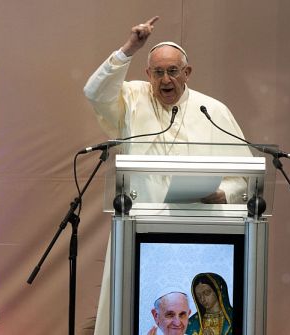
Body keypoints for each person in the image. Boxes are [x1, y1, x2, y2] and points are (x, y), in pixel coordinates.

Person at [85, 17, 248, 334]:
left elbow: (244, 174)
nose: (165, 80)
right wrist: (130, 48)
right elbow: (94, 92)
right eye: (158, 72)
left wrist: (224, 193)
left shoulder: (212, 111)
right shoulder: (132, 99)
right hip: (139, 228)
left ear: (187, 73)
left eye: (173, 71)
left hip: (201, 230)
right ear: (148, 75)